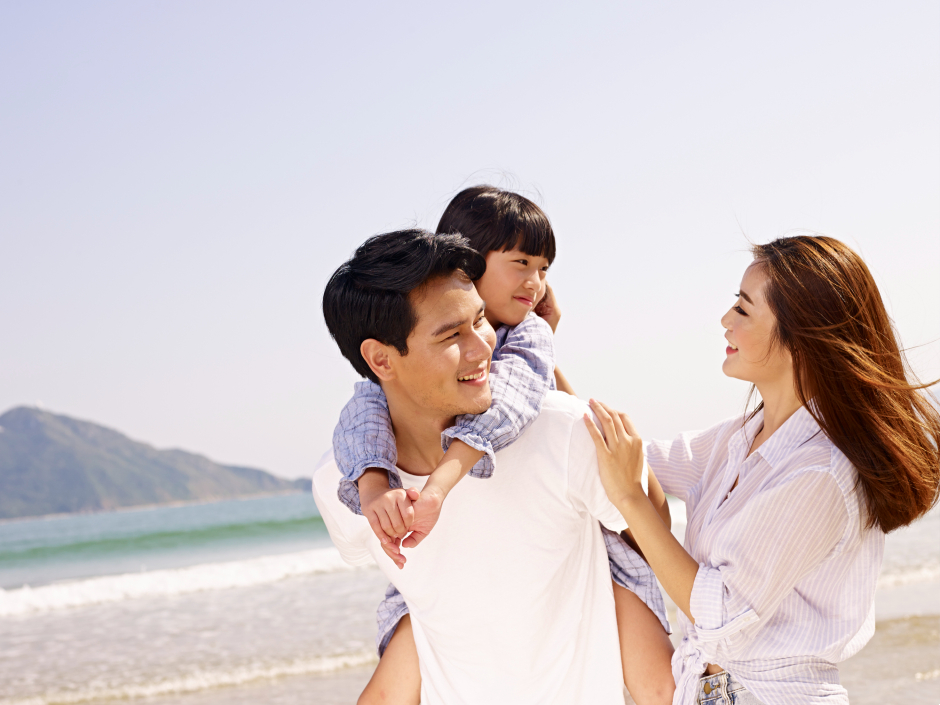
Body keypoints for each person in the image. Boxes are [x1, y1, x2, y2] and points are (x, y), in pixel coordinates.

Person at [331, 186, 674, 704]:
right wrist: (374, 484)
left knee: (657, 672)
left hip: (582, 536)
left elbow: (521, 400)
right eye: (521, 264)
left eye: (544, 269)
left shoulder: (530, 341)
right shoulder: (399, 367)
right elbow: (363, 409)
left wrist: (441, 482)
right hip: (449, 583)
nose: (535, 283)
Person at [583, 234, 940, 704]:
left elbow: (722, 613)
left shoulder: (820, 473)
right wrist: (545, 362)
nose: (725, 320)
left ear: (802, 338)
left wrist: (632, 500)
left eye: (744, 310)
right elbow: (627, 457)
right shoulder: (741, 437)